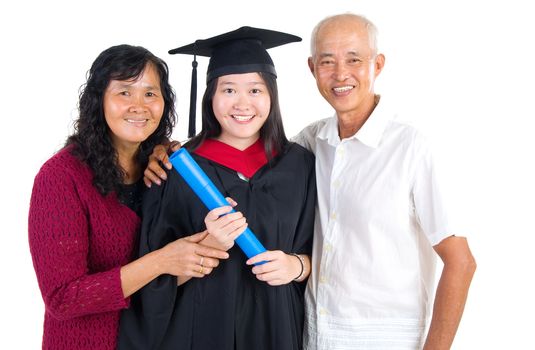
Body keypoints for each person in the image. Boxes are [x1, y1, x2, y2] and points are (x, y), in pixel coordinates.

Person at [146, 14, 477, 350]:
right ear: (312, 67)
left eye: (354, 59)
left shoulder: (404, 148)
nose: (340, 73)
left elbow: (460, 261)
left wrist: (296, 264)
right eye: (327, 61)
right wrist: (158, 149)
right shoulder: (310, 146)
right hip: (308, 335)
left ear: (377, 65)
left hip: (380, 336)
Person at [118, 27, 316, 350]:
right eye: (228, 90)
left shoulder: (301, 166)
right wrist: (207, 247)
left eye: (255, 90)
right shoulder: (176, 171)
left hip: (276, 334)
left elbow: (326, 255)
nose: (242, 104)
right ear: (210, 95)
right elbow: (150, 286)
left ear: (271, 96)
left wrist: (295, 266)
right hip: (196, 336)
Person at [28, 44, 229, 350]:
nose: (139, 105)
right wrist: (162, 261)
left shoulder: (164, 168)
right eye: (124, 92)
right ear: (99, 100)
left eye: (150, 93)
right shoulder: (62, 178)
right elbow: (63, 298)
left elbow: (177, 269)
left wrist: (210, 241)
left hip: (156, 339)